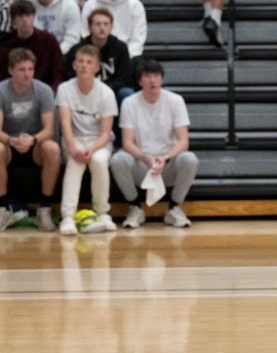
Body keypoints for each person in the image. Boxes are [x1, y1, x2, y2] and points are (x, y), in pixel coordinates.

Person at [109, 58, 198, 228]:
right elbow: (127, 143)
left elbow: (183, 141)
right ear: (140, 80)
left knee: (190, 159)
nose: (152, 80)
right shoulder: (129, 103)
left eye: (156, 75)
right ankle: (135, 207)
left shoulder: (175, 100)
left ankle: (174, 208)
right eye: (147, 76)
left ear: (162, 79)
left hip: (168, 164)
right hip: (142, 165)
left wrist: (164, 158)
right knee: (118, 160)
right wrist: (146, 157)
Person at [55, 45, 118, 235]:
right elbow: (65, 124)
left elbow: (106, 132)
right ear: (74, 65)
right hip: (73, 139)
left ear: (97, 67)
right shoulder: (65, 89)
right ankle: (67, 217)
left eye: (89, 62)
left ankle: (102, 212)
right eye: (80, 61)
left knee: (99, 160)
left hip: (98, 141)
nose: (84, 65)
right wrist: (73, 147)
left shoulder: (106, 93)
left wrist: (92, 149)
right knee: (75, 162)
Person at [0, 48, 60, 231]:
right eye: (21, 70)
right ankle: (2, 210)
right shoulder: (1, 90)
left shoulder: (43, 90)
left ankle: (44, 209)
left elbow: (49, 129)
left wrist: (32, 140)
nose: (27, 74)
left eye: (30, 69)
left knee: (53, 148)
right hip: (10, 145)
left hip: (35, 146)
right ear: (11, 70)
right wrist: (11, 140)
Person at [80, 0, 146, 59]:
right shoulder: (90, 5)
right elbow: (85, 33)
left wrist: (123, 57)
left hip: (128, 56)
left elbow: (138, 40)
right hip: (97, 56)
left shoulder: (135, 5)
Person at [0, 0, 63, 89]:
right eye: (20, 16)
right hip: (12, 94)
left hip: (44, 92)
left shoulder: (48, 40)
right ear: (13, 20)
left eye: (28, 15)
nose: (25, 19)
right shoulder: (5, 43)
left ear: (34, 17)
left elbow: (58, 71)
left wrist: (50, 92)